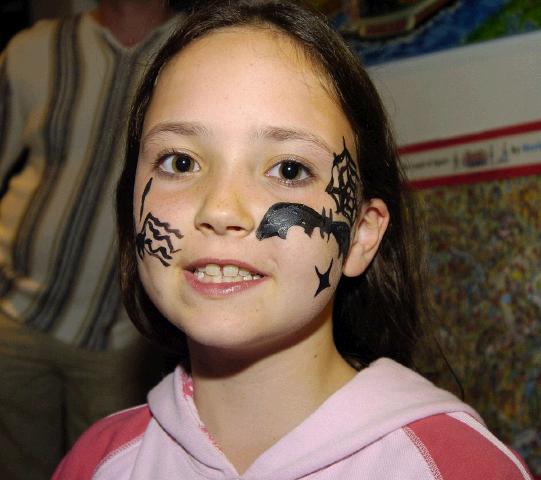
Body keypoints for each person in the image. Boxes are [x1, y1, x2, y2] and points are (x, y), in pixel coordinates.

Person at [53, 1, 533, 478]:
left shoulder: (458, 468)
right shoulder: (97, 463)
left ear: (362, 236)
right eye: (181, 162)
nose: (220, 209)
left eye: (288, 169)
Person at [0, 1, 182, 479]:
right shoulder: (32, 49)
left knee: (111, 469)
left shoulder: (197, 52)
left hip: (124, 336)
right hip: (14, 315)